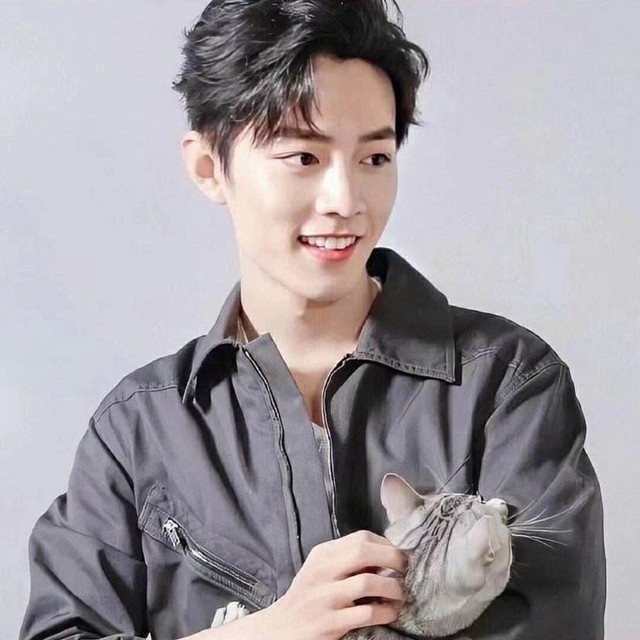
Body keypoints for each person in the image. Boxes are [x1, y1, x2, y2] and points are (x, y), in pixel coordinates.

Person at [19, 1, 606, 639]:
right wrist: (268, 632)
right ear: (210, 168)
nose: (345, 200)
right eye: (303, 157)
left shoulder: (506, 386)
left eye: (374, 158)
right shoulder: (140, 429)